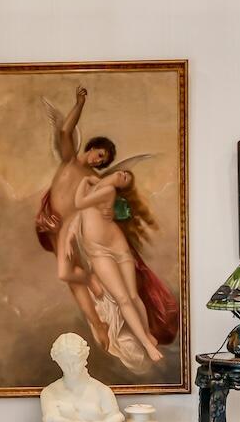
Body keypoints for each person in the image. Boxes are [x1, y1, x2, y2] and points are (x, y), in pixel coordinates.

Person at [35, 85, 180, 372]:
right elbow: (65, 131)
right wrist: (79, 103)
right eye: (98, 154)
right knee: (70, 275)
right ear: (89, 148)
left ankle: (102, 323)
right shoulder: (69, 160)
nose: (99, 161)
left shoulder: (96, 178)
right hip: (61, 224)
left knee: (81, 279)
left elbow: (101, 204)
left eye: (103, 160)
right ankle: (94, 291)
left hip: (80, 229)